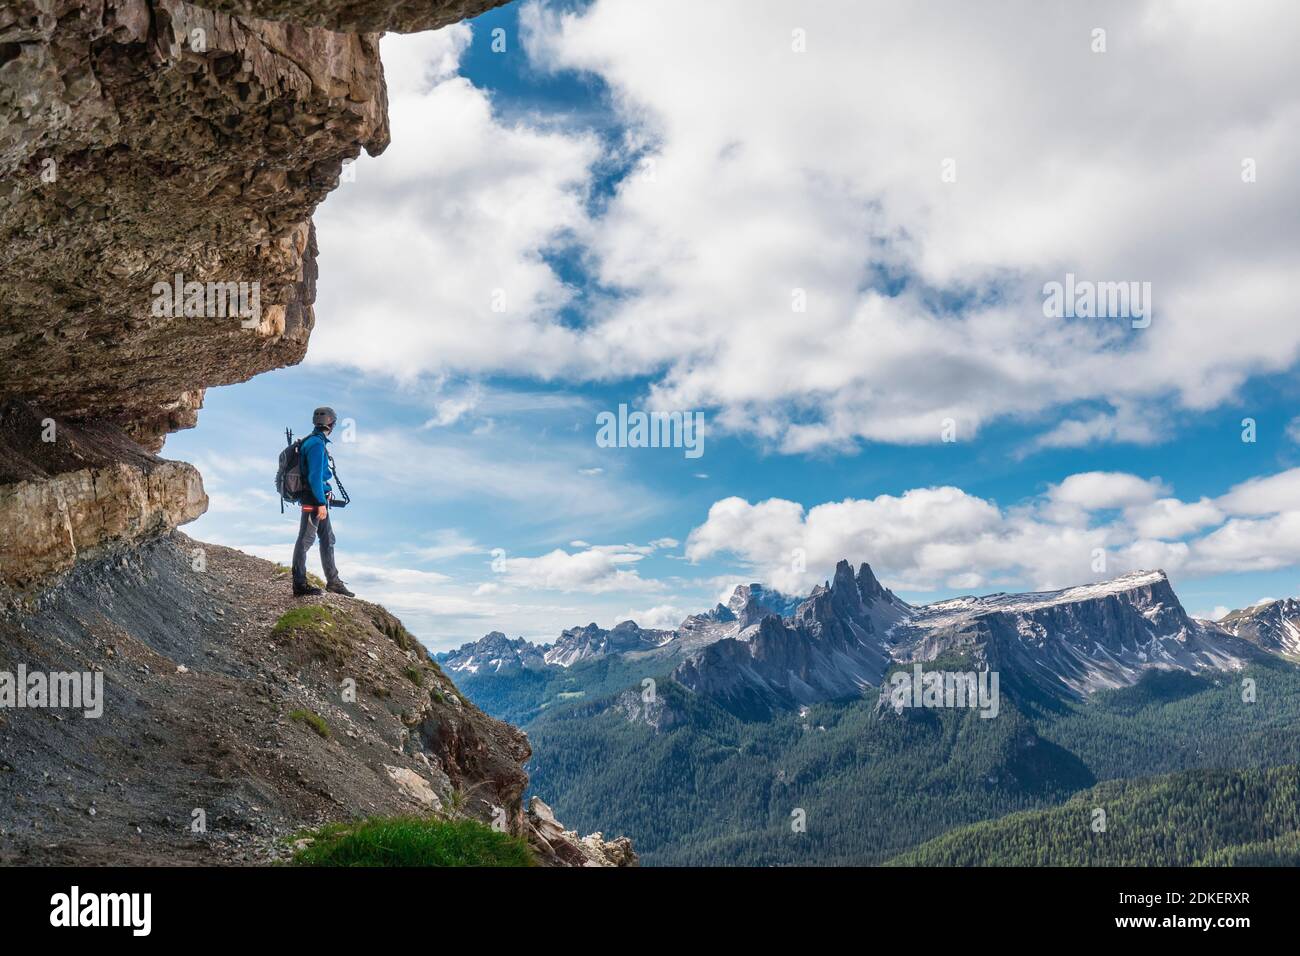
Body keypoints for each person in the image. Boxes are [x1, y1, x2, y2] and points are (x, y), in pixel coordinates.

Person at [291, 406, 355, 597]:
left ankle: (333, 582)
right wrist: (320, 503)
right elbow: (314, 477)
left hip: (316, 499)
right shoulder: (317, 445)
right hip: (314, 500)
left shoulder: (311, 441)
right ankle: (299, 585)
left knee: (328, 539)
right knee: (305, 540)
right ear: (331, 423)